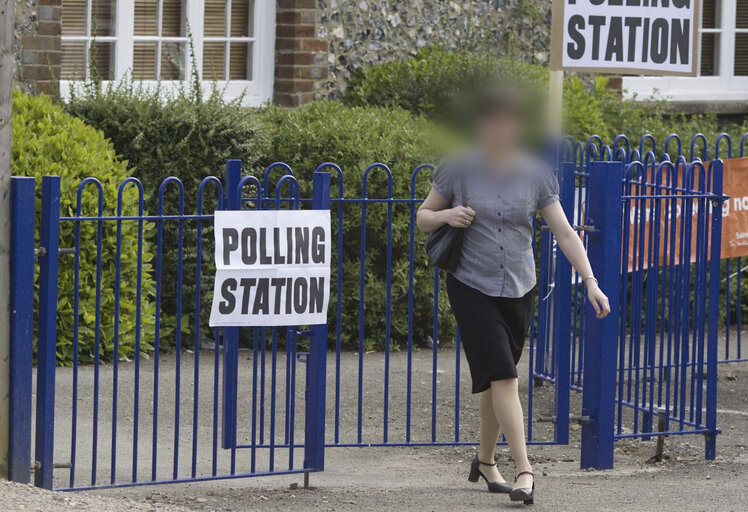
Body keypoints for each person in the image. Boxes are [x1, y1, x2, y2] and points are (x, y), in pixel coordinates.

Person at [415, 89, 611, 505]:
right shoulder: (458, 168)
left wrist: (590, 279)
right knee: (505, 376)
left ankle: (485, 462)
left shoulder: (536, 173)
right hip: (471, 284)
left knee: (492, 382)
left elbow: (563, 232)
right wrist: (448, 215)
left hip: (521, 286)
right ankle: (525, 470)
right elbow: (423, 218)